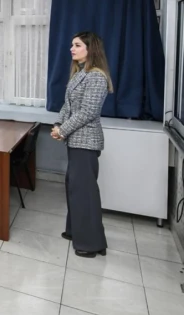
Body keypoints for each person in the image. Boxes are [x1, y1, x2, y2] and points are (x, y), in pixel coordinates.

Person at [52, 31, 113, 258]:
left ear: (91, 49)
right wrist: (59, 123)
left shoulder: (96, 77)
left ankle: (91, 244)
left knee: (84, 192)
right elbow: (68, 106)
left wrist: (63, 129)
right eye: (72, 45)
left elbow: (88, 112)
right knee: (74, 188)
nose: (72, 48)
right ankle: (75, 231)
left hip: (86, 142)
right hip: (75, 140)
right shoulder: (79, 74)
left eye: (77, 45)